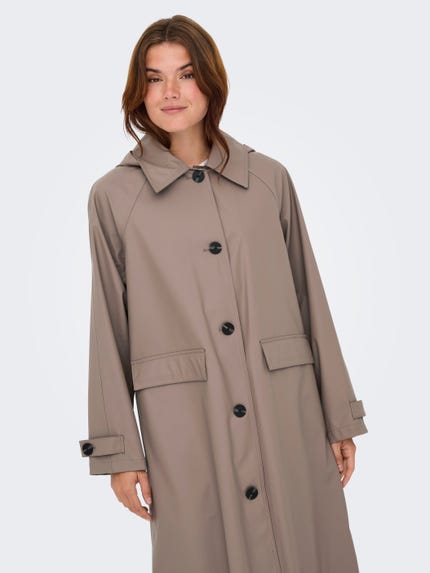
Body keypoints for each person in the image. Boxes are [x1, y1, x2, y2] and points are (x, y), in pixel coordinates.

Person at [79, 14, 368, 573]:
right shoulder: (114, 196)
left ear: (211, 82)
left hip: (286, 411)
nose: (171, 91)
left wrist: (339, 417)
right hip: (184, 421)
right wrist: (118, 451)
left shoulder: (268, 179)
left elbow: (310, 297)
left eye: (186, 75)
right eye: (155, 78)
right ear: (139, 90)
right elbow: (107, 328)